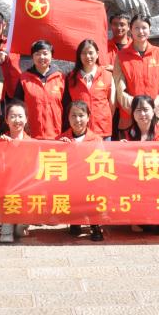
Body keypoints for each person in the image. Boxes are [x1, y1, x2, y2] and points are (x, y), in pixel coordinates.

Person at [124, 94, 159, 236]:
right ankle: (138, 218)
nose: (142, 114)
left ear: (153, 111)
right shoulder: (127, 134)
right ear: (133, 114)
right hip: (137, 181)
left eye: (146, 110)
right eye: (138, 110)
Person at [114, 15, 159, 134]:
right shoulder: (121, 56)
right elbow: (119, 89)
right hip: (129, 116)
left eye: (144, 28)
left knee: (156, 145)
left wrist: (152, 108)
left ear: (150, 29)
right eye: (137, 28)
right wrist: (137, 109)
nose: (141, 31)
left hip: (155, 115)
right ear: (130, 30)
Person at [58, 101, 105, 242]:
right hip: (71, 181)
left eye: (81, 115)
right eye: (73, 116)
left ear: (88, 117)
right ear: (68, 118)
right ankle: (75, 220)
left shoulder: (96, 139)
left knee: (94, 194)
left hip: (91, 181)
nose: (77, 119)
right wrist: (61, 148)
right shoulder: (61, 139)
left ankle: (95, 225)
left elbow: (102, 162)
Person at [14, 40, 67, 140]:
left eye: (45, 53)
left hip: (57, 135)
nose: (42, 57)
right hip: (30, 136)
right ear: (32, 57)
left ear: (52, 56)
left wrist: (66, 132)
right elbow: (17, 106)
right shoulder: (24, 79)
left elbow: (67, 107)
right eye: (37, 54)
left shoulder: (61, 78)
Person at [66, 39, 114, 140]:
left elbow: (112, 103)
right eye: (83, 53)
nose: (88, 56)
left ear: (97, 54)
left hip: (102, 130)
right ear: (79, 56)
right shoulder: (71, 78)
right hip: (80, 131)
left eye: (91, 53)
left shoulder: (107, 75)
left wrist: (104, 118)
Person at [0, 100, 30, 243]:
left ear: (26, 119)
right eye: (13, 116)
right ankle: (7, 226)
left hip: (27, 189)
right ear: (6, 120)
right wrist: (2, 146)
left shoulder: (34, 143)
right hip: (5, 189)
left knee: (20, 231)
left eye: (20, 116)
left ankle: (21, 224)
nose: (17, 120)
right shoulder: (0, 142)